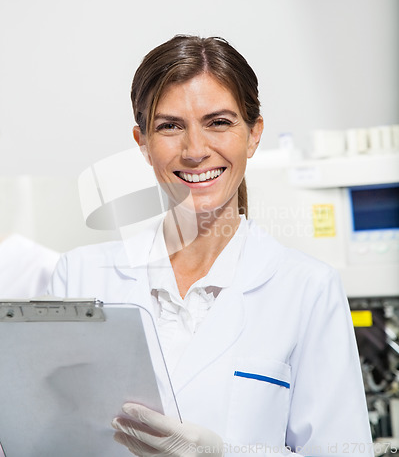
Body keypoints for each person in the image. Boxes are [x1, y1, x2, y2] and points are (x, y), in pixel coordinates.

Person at [49, 35, 372, 456]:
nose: (196, 150)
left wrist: (224, 455)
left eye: (218, 122)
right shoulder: (80, 277)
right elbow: (45, 434)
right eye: (170, 126)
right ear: (143, 143)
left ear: (253, 134)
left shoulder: (308, 289)